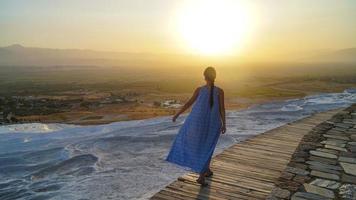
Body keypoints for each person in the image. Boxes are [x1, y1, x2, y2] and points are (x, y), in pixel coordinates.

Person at [165, 66, 226, 186]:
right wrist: (224, 123)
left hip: (198, 122)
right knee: (208, 146)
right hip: (214, 123)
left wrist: (177, 114)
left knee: (201, 145)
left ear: (204, 77)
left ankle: (205, 171)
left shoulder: (200, 90)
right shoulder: (220, 91)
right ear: (215, 77)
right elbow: (222, 109)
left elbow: (189, 103)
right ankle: (202, 175)